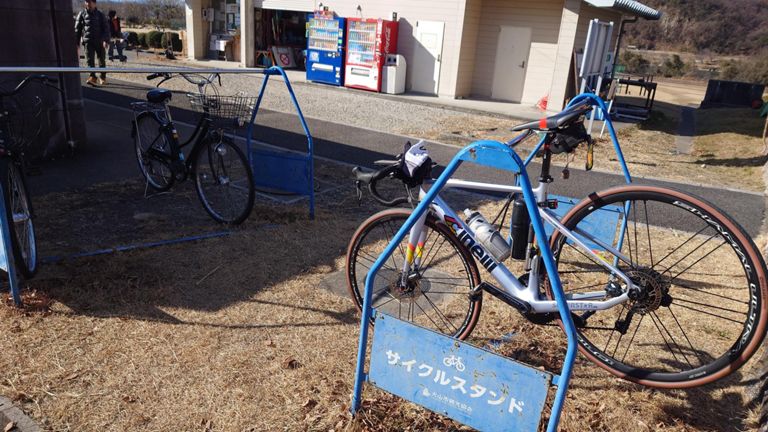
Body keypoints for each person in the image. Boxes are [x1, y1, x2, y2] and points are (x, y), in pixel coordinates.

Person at [74, 0, 110, 86]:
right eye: (86, 1)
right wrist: (76, 43)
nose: (88, 4)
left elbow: (106, 29)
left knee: (101, 60)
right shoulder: (81, 14)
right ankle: (93, 77)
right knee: (89, 60)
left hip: (100, 41)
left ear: (94, 3)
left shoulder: (100, 15)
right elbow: (77, 29)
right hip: (88, 41)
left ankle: (102, 77)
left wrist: (105, 40)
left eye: (90, 2)